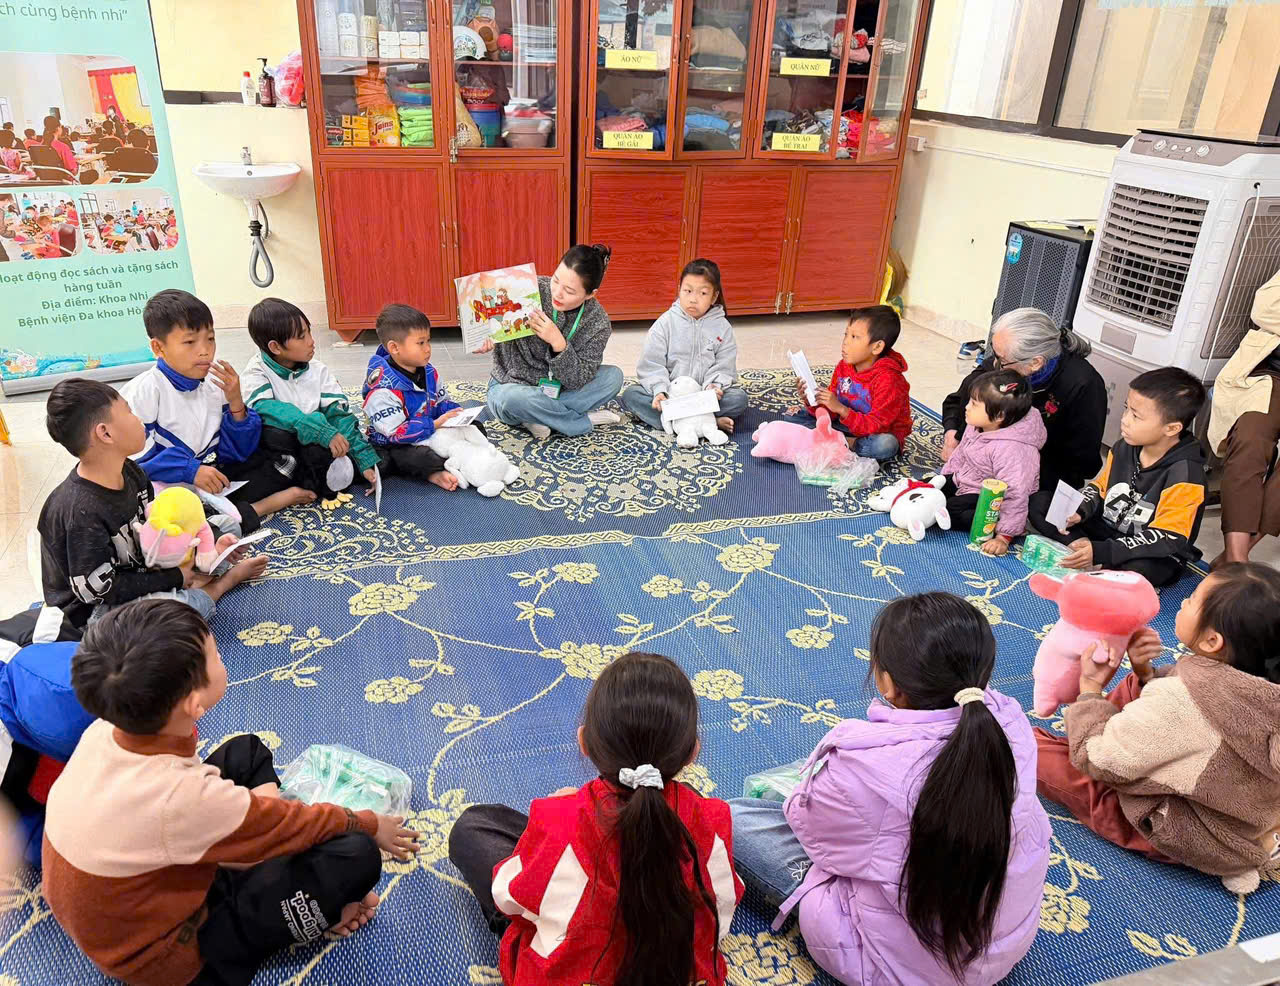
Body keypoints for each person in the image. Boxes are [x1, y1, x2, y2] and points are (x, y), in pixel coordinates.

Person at [41, 599, 420, 986]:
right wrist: (370, 824)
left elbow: (197, 812)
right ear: (194, 703)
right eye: (217, 655)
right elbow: (294, 824)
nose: (223, 657)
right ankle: (300, 905)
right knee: (356, 853)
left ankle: (272, 861)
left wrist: (261, 836)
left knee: (245, 752)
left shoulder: (108, 729)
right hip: (168, 954)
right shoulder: (182, 796)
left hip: (127, 899)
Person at [730, 593, 1050, 985]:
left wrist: (819, 782)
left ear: (888, 683)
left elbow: (809, 828)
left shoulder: (861, 765)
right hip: (1000, 944)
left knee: (733, 818)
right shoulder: (1010, 723)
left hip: (895, 967)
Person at [448, 651, 743, 985]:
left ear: (584, 742)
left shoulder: (559, 820)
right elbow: (721, 916)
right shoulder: (713, 819)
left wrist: (552, 819)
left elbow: (509, 899)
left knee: (473, 827)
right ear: (693, 752)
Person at [1035, 563, 1280, 894]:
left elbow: (1100, 759)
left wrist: (1089, 689)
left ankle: (1231, 859)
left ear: (1212, 641)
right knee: (1135, 686)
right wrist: (1144, 672)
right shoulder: (1259, 686)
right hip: (1236, 814)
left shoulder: (1183, 700)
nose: (1183, 602)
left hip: (1182, 830)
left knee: (1028, 747)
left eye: (1192, 599)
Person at [37, 379, 266, 637]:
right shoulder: (79, 511)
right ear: (105, 434)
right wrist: (176, 577)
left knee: (225, 525)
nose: (138, 420)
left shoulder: (131, 471)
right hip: (96, 612)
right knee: (181, 610)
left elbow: (157, 529)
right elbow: (99, 591)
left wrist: (207, 547)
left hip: (144, 569)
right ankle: (220, 584)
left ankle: (200, 576)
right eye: (129, 411)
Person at [120, 289, 316, 537]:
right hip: (163, 484)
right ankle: (260, 507)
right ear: (158, 348)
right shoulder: (144, 391)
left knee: (284, 457)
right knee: (171, 527)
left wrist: (235, 403)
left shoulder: (215, 382)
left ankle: (225, 512)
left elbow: (236, 453)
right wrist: (190, 470)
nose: (205, 351)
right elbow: (133, 461)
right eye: (190, 342)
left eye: (210, 339)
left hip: (210, 476)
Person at [1028, 367, 1206, 588]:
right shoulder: (1124, 446)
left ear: (1171, 428)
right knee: (1040, 502)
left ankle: (1093, 559)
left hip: (1148, 550)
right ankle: (1083, 550)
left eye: (1136, 416)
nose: (1125, 420)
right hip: (1106, 531)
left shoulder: (1186, 475)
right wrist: (1080, 511)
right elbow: (1101, 487)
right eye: (1126, 409)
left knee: (1144, 569)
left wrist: (1104, 551)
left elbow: (1168, 537)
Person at [942, 308, 1106, 492]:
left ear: (1035, 363)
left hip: (1035, 476)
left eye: (1001, 359)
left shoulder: (1084, 385)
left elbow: (1082, 463)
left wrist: (1014, 465)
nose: (995, 364)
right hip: (985, 463)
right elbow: (957, 401)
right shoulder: (1004, 363)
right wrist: (951, 434)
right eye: (995, 354)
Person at [481, 244, 624, 440]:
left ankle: (536, 417)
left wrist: (559, 344)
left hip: (561, 390)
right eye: (556, 280)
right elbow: (488, 314)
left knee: (613, 377)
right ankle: (580, 421)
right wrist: (485, 333)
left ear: (591, 294)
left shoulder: (598, 323)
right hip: (512, 386)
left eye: (569, 291)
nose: (557, 293)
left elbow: (578, 380)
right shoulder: (530, 288)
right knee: (510, 399)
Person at [241, 298, 379, 496]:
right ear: (275, 347)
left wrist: (364, 459)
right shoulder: (256, 372)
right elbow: (265, 408)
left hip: (316, 445)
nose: (311, 341)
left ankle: (309, 476)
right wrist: (317, 429)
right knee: (274, 435)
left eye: (309, 332)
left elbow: (338, 415)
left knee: (378, 462)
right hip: (282, 447)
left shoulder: (318, 370)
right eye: (301, 337)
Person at [1206, 266, 1280, 565]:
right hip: (1270, 374)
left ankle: (1234, 558)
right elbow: (1265, 308)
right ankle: (1237, 559)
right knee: (1251, 439)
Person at [621, 258, 746, 434]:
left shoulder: (722, 327)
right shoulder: (665, 323)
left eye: (703, 293)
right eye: (687, 291)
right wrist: (660, 391)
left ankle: (677, 421)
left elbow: (724, 365)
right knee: (631, 395)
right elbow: (651, 364)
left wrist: (714, 386)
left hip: (704, 395)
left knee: (738, 398)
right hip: (671, 394)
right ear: (679, 289)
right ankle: (709, 422)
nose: (693, 299)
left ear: (714, 296)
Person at [362, 303, 468, 491]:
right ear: (394, 347)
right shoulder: (382, 390)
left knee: (474, 427)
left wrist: (454, 412)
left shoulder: (429, 372)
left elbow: (440, 402)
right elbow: (396, 433)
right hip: (395, 443)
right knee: (420, 459)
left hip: (429, 429)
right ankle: (433, 472)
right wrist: (435, 424)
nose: (428, 349)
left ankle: (450, 462)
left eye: (428, 341)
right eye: (420, 343)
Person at [940, 369, 1046, 556]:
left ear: (999, 416)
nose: (966, 407)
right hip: (965, 481)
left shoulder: (1013, 450)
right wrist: (945, 478)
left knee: (951, 510)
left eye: (974, 404)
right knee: (928, 488)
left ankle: (994, 526)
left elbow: (1016, 493)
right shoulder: (978, 423)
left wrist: (1004, 536)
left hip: (991, 499)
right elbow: (960, 454)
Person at [794, 305, 911, 462]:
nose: (845, 343)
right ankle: (835, 438)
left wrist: (841, 409)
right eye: (846, 335)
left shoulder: (889, 380)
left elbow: (877, 426)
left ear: (877, 347)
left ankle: (845, 442)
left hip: (873, 434)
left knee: (886, 445)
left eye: (854, 337)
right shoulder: (844, 366)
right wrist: (811, 399)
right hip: (845, 424)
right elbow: (831, 411)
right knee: (796, 417)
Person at [39, 116, 78, 180]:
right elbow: (73, 171)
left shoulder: (39, 146)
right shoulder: (63, 147)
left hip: (46, 181)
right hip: (63, 180)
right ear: (58, 128)